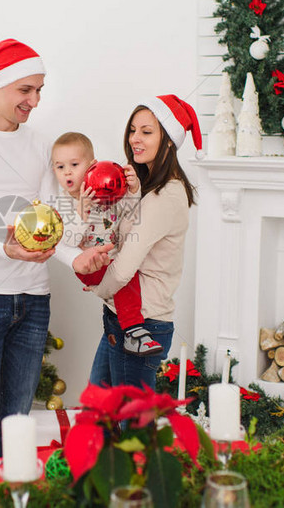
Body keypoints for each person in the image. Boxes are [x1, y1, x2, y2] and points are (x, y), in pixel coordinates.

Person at [0, 38, 112, 468]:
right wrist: (8, 249)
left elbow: (53, 225)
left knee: (14, 426)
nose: (35, 100)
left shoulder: (38, 144)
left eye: (39, 90)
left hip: (32, 302)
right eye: (25, 90)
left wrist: (75, 259)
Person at [86, 94, 200, 390]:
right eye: (133, 130)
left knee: (132, 430)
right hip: (121, 320)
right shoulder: (149, 188)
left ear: (169, 141)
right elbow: (125, 236)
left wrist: (97, 285)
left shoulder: (165, 196)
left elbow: (124, 268)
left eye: (147, 132)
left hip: (142, 326)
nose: (135, 138)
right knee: (100, 416)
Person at [50, 132, 163, 356]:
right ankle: (134, 331)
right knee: (125, 281)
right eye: (60, 167)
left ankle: (127, 326)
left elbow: (129, 213)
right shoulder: (63, 203)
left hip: (111, 259)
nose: (67, 172)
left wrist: (133, 190)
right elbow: (69, 243)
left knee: (129, 274)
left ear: (92, 166)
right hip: (89, 265)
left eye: (74, 164)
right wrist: (81, 212)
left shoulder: (106, 192)